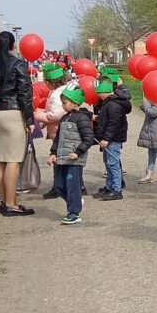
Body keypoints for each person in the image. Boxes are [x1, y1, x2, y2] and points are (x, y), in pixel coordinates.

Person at [0, 31, 35, 217]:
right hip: (13, 113)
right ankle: (11, 203)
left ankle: (4, 201)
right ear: (12, 45)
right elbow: (25, 94)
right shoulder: (18, 65)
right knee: (13, 160)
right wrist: (29, 119)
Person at [48, 85, 95, 225]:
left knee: (72, 186)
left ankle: (74, 213)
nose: (62, 105)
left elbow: (88, 138)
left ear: (75, 102)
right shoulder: (64, 118)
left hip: (74, 160)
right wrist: (53, 153)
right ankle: (75, 201)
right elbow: (58, 138)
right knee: (59, 186)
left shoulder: (82, 118)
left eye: (65, 102)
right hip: (61, 159)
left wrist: (78, 152)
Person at [92, 76, 132, 201]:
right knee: (108, 163)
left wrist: (106, 138)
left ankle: (116, 189)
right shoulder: (107, 103)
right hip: (108, 138)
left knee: (113, 164)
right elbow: (105, 120)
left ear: (104, 91)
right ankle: (109, 186)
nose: (97, 95)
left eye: (99, 92)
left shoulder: (113, 105)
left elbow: (113, 124)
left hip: (113, 139)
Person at [137, 96, 157, 185]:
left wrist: (146, 102)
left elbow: (152, 112)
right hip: (151, 129)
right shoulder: (154, 100)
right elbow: (146, 110)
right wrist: (146, 103)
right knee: (151, 152)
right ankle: (149, 174)